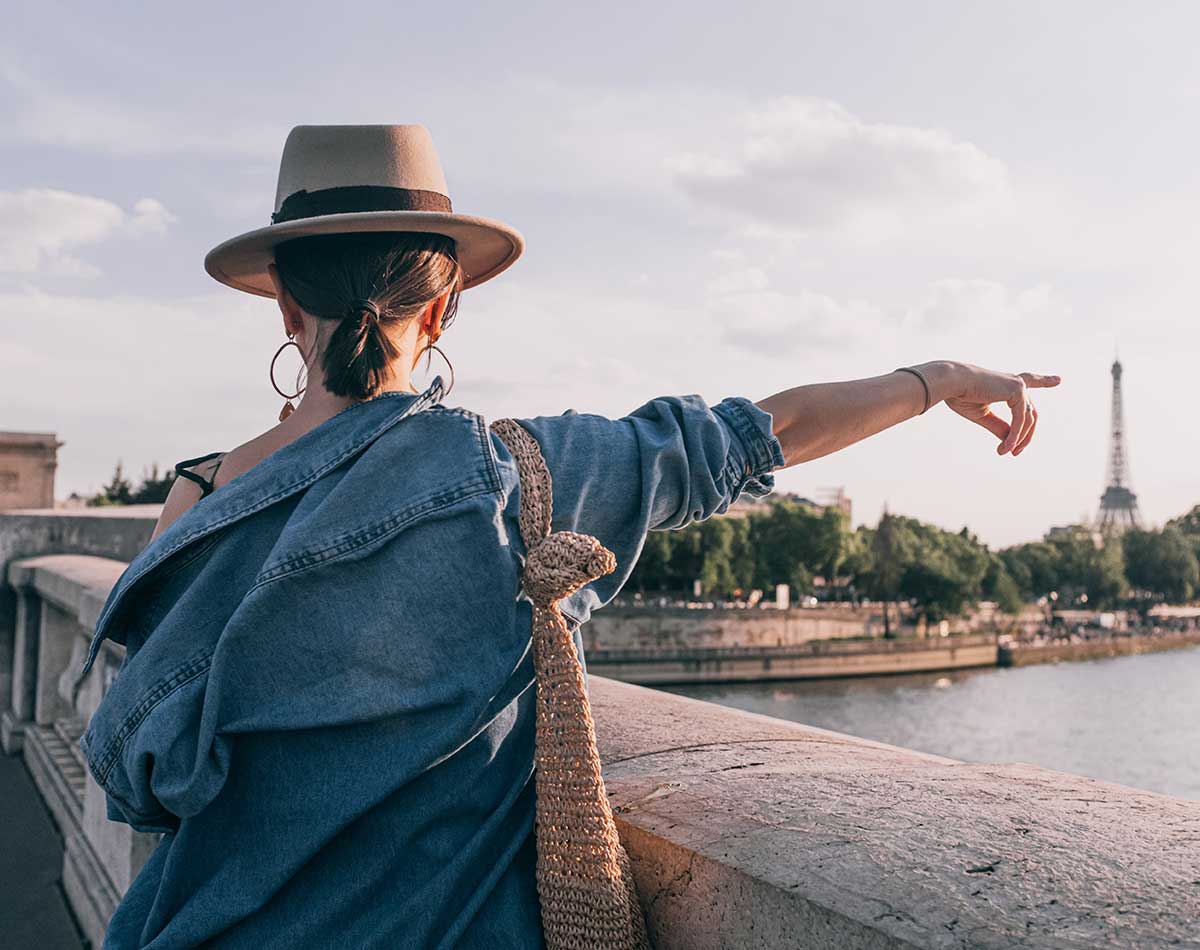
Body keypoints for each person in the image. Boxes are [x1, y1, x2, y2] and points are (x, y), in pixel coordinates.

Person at [77, 125, 1059, 950]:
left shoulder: (197, 498)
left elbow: (149, 782)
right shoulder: (517, 480)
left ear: (286, 304)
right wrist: (942, 377)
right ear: (448, 300)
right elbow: (759, 435)